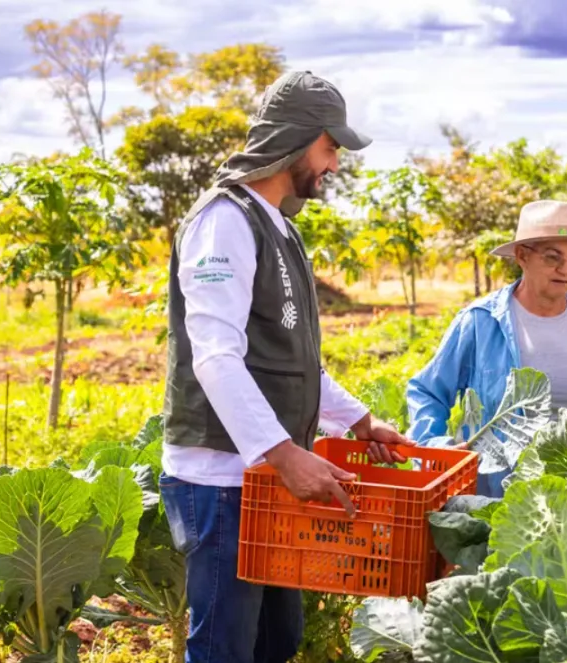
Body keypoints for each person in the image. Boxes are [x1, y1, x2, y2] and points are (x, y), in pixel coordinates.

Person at [159, 70, 411, 663]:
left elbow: (291, 361)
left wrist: (359, 421)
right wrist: (282, 451)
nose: (335, 164)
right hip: (221, 478)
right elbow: (215, 356)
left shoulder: (280, 228)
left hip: (265, 480)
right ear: (297, 141)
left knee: (279, 642)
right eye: (330, 148)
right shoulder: (225, 222)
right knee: (225, 648)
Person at [405, 199, 567, 497]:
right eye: (552, 257)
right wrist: (436, 449)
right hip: (495, 504)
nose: (566, 269)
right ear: (521, 256)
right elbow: (426, 391)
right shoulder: (480, 322)